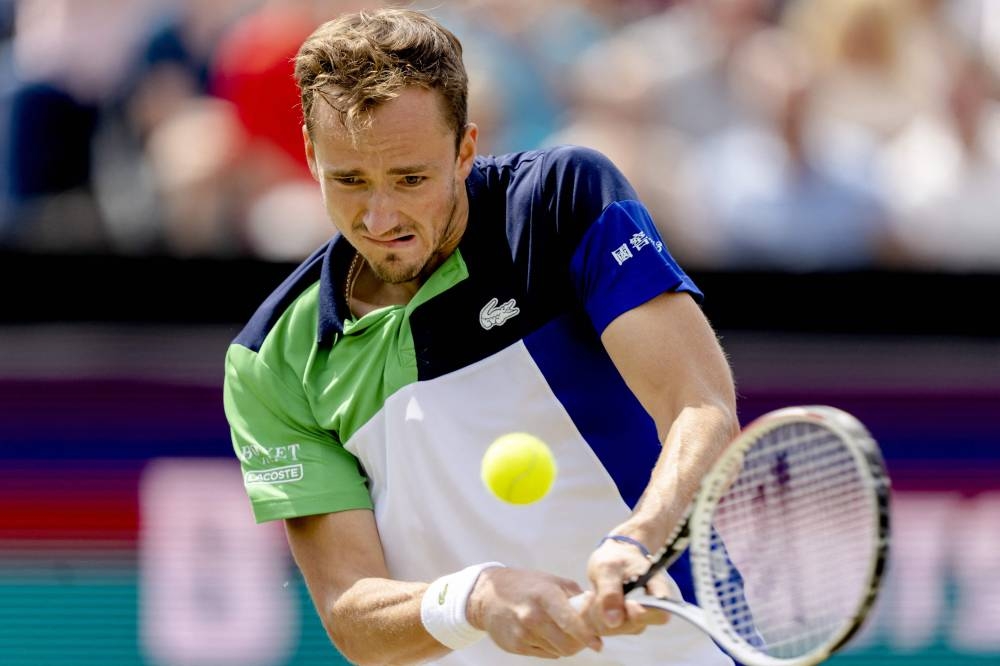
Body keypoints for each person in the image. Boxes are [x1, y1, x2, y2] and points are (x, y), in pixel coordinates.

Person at [223, 8, 738, 665]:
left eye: (411, 179)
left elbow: (698, 403)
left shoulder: (558, 202)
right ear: (310, 154)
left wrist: (640, 538)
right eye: (348, 181)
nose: (380, 217)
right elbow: (353, 615)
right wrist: (473, 599)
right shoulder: (272, 360)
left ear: (465, 150)